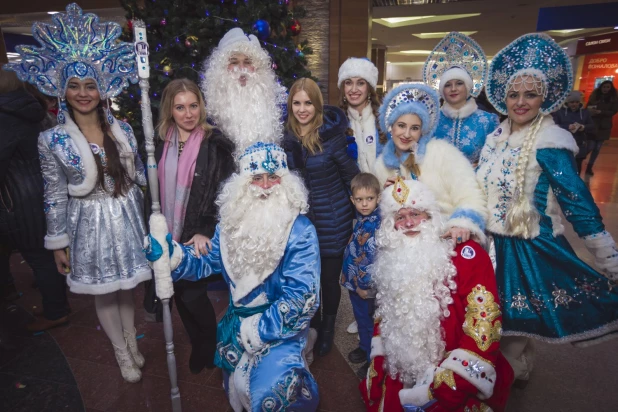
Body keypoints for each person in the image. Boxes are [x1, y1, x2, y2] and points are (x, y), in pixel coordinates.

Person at [5, 4, 150, 382]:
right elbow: (53, 193)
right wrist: (57, 243)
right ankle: (120, 351)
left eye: (90, 85)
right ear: (62, 89)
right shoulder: (50, 140)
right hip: (88, 220)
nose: (83, 93)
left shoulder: (125, 130)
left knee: (127, 289)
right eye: (74, 85)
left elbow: (139, 180)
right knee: (104, 291)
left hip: (126, 216)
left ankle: (132, 342)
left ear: (102, 88)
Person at [478, 33, 618, 384]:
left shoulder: (551, 142)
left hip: (529, 246)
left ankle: (509, 375)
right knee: (500, 320)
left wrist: (607, 255)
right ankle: (521, 364)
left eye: (530, 94)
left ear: (545, 97)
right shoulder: (495, 137)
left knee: (510, 325)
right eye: (514, 94)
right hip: (489, 243)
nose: (521, 102)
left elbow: (578, 203)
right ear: (502, 97)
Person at [145, 142, 320, 412]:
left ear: (285, 182)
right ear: (242, 184)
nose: (265, 186)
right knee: (236, 393)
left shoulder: (300, 230)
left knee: (274, 396)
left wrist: (255, 329)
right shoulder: (230, 224)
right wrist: (174, 256)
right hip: (234, 330)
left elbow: (302, 300)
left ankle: (297, 362)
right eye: (256, 178)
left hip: (277, 330)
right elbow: (207, 262)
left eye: (273, 177)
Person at [360, 178, 513, 412]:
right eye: (400, 217)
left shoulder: (466, 255)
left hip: (452, 372)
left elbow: (485, 324)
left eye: (416, 213)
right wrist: (380, 361)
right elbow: (386, 315)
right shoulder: (393, 259)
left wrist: (452, 383)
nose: (409, 223)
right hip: (402, 369)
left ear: (431, 216)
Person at [155, 78, 235, 374]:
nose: (188, 113)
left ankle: (208, 345)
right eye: (180, 107)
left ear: (201, 106)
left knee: (193, 294)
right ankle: (197, 341)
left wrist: (205, 228)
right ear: (170, 110)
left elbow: (222, 192)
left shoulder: (215, 143)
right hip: (167, 231)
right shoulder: (160, 141)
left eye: (193, 105)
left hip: (196, 234)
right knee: (177, 293)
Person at [283, 77, 360, 356]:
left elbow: (351, 176)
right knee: (308, 280)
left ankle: (327, 329)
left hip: (333, 221)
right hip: (301, 226)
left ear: (317, 105)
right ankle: (313, 327)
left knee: (328, 281)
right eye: (297, 102)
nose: (303, 109)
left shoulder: (331, 138)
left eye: (308, 103)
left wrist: (360, 213)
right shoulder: (286, 138)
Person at [374, 83, 487, 245]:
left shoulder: (443, 154)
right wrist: (386, 198)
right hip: (404, 248)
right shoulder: (381, 166)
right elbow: (380, 216)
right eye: (401, 126)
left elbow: (471, 196)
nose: (406, 134)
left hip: (447, 240)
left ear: (422, 131)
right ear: (390, 127)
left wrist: (460, 225)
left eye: (414, 128)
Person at [0, 69, 70, 329]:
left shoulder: (5, 118)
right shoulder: (36, 110)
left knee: (40, 257)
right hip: (45, 190)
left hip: (19, 199)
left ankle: (56, 311)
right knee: (47, 253)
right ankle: (57, 303)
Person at [201, 27, 287, 154]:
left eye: (247, 62)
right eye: (234, 62)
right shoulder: (207, 112)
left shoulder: (279, 106)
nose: (241, 68)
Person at [424, 32, 500, 164]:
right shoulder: (432, 120)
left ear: (468, 87)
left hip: (475, 182)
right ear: (442, 91)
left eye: (459, 83)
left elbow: (496, 159)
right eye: (447, 85)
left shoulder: (487, 121)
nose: (453, 89)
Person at [340, 172, 381, 377]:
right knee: (361, 318)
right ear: (352, 200)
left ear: (378, 198)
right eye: (359, 200)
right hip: (353, 282)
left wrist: (364, 286)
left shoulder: (375, 224)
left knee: (368, 322)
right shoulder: (363, 217)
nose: (364, 204)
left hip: (364, 287)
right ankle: (365, 348)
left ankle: (372, 360)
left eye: (369, 199)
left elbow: (371, 259)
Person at [338, 57, 386, 173]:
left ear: (369, 88)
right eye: (348, 83)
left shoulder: (385, 120)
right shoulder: (336, 122)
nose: (354, 89)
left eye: (360, 83)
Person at [552, 90, 596, 173]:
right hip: (564, 144)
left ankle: (576, 184)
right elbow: (554, 126)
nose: (574, 104)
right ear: (567, 102)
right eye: (572, 102)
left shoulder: (584, 112)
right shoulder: (560, 112)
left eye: (576, 102)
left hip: (579, 143)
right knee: (564, 166)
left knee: (577, 167)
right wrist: (567, 127)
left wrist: (583, 127)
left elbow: (592, 125)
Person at [585, 80, 618, 175]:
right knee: (590, 146)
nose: (605, 89)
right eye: (604, 87)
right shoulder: (595, 96)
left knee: (597, 148)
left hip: (604, 127)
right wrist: (592, 111)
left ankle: (589, 167)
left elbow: (613, 111)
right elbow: (587, 108)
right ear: (601, 87)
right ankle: (578, 161)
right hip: (593, 124)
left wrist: (601, 112)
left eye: (608, 87)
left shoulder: (614, 99)